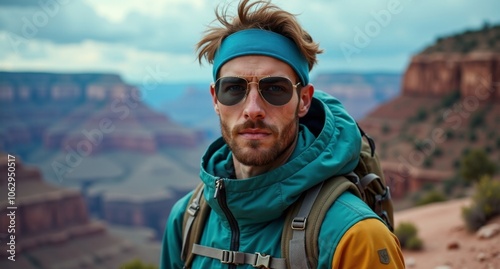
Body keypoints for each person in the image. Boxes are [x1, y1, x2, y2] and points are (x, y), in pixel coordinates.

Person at [160, 0, 405, 268]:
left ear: (303, 101)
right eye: (234, 89)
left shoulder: (355, 237)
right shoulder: (186, 219)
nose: (253, 110)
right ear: (215, 99)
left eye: (275, 89)